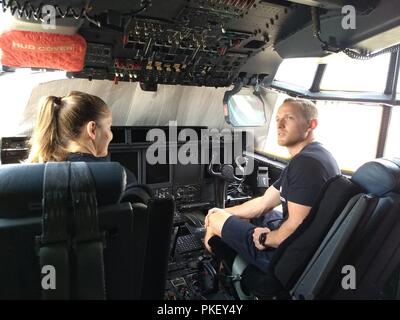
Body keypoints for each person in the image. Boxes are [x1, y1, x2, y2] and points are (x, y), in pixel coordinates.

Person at [204, 97, 340, 271]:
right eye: (277, 119)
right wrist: (223, 211)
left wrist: (264, 239)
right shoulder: (314, 156)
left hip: (285, 259)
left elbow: (295, 229)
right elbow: (263, 203)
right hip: (303, 247)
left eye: (289, 118)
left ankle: (213, 264)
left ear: (311, 124)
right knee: (235, 215)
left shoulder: (306, 164)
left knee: (214, 221)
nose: (280, 125)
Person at [27, 91, 137, 185]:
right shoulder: (121, 178)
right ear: (92, 129)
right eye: (108, 126)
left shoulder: (32, 176)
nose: (110, 136)